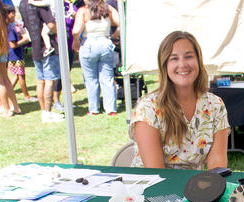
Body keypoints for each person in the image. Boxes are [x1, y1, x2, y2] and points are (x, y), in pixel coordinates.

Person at [128, 31, 230, 170]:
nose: (182, 64)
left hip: (195, 187)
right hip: (152, 187)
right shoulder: (148, 108)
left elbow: (217, 166)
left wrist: (210, 189)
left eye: (188, 56)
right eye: (174, 58)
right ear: (164, 65)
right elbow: (156, 172)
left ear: (198, 61)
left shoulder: (216, 105)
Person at [19, 0, 63, 123]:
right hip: (47, 48)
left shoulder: (23, 4)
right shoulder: (40, 5)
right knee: (50, 81)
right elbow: (51, 25)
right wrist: (59, 30)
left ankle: (44, 112)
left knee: (40, 81)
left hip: (35, 47)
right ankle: (48, 113)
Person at [72, 0, 119, 115]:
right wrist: (114, 36)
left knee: (90, 79)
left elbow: (76, 30)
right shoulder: (108, 9)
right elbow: (121, 24)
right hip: (105, 42)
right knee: (107, 78)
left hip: (89, 43)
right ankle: (111, 109)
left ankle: (93, 109)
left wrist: (76, 41)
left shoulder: (83, 11)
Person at [4, 5, 35, 102]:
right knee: (21, 76)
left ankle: (8, 94)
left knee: (17, 76)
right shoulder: (10, 28)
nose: (14, 15)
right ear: (7, 15)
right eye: (12, 13)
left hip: (16, 55)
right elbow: (12, 45)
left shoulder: (12, 26)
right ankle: (27, 96)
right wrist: (25, 40)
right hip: (15, 56)